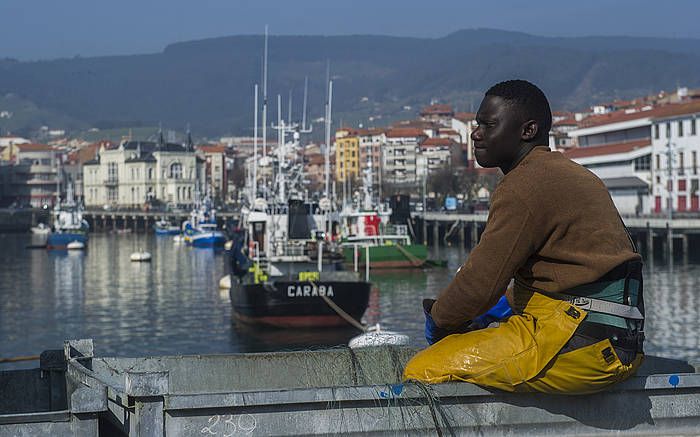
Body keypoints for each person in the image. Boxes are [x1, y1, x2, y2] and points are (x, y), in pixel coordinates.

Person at [403, 80, 644, 394]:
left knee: (423, 368)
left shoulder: (523, 186)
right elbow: (567, 272)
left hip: (581, 346)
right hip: (619, 344)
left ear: (527, 131)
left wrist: (438, 321)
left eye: (488, 125)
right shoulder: (574, 174)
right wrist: (502, 308)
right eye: (476, 125)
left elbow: (480, 285)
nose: (475, 133)